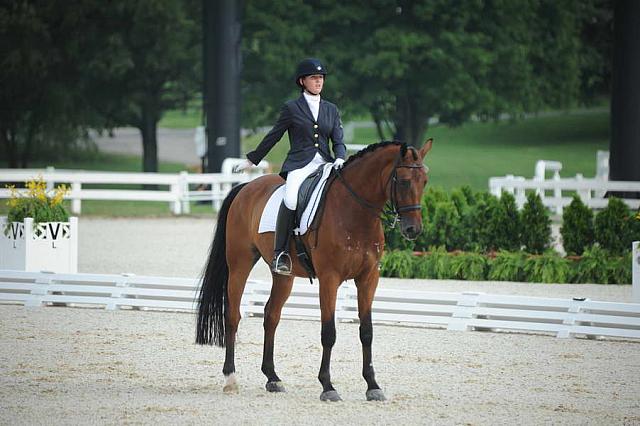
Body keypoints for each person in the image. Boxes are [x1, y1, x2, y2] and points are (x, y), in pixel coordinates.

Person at [234, 58, 346, 275]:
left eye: (321, 78)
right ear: (302, 81)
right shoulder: (292, 108)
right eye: (314, 78)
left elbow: (338, 140)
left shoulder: (331, 109)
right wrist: (252, 159)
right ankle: (281, 253)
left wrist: (340, 157)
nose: (318, 82)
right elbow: (274, 136)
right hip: (300, 164)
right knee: (291, 198)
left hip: (325, 163)